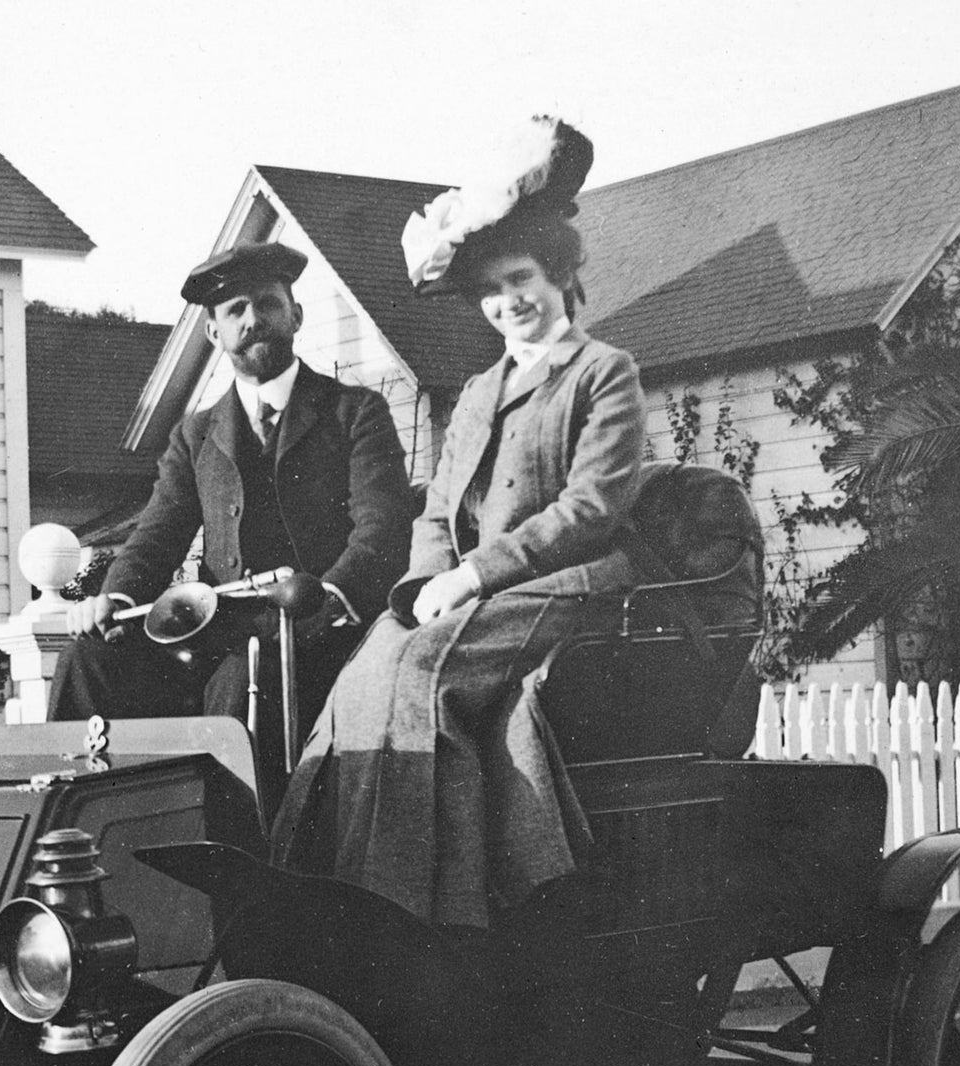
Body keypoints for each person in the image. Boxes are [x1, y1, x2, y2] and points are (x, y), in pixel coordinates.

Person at [272, 118, 757, 930]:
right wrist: (425, 582)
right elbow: (437, 507)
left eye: (523, 278)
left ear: (561, 275)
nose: (510, 303)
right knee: (363, 672)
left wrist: (471, 578)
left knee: (424, 671)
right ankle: (321, 899)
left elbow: (590, 508)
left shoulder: (603, 372)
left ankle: (428, 913)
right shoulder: (474, 392)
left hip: (576, 582)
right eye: (492, 291)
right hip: (472, 594)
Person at [48, 240, 417, 784]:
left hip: (321, 638)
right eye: (235, 311)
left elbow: (381, 531)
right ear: (213, 332)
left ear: (295, 314)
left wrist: (326, 600)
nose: (253, 320)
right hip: (216, 638)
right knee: (88, 661)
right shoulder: (195, 435)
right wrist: (115, 599)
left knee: (243, 679)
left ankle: (236, 851)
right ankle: (80, 833)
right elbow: (157, 534)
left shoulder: (355, 413)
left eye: (267, 304)